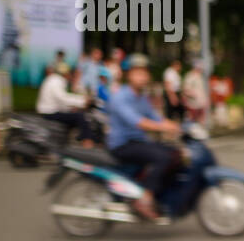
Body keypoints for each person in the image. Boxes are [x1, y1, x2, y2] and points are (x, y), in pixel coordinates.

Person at [107, 54, 182, 221]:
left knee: (175, 153)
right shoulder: (120, 97)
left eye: (144, 73)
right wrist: (163, 127)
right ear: (129, 75)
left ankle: (159, 195)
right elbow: (139, 122)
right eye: (137, 73)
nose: (142, 77)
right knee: (162, 157)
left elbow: (155, 117)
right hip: (122, 145)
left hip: (138, 142)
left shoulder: (142, 97)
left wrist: (177, 126)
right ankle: (143, 199)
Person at [35, 61, 98, 146]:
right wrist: (82, 101)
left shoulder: (54, 79)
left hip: (50, 111)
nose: (70, 75)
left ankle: (67, 141)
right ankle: (88, 142)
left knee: (74, 115)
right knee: (79, 116)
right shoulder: (56, 81)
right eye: (69, 73)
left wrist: (72, 107)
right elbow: (63, 98)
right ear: (65, 73)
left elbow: (58, 100)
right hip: (49, 112)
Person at [182, 60, 209, 125]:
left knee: (200, 119)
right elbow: (186, 89)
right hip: (193, 103)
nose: (201, 70)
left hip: (201, 103)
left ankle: (198, 131)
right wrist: (193, 96)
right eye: (200, 68)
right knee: (192, 119)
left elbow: (202, 90)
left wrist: (205, 100)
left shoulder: (200, 77)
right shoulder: (190, 76)